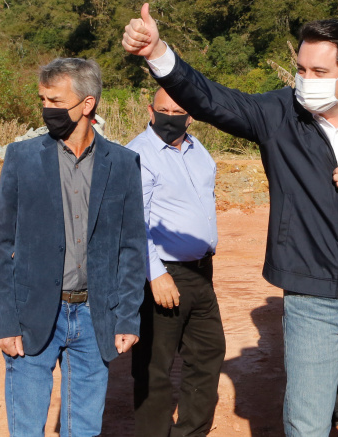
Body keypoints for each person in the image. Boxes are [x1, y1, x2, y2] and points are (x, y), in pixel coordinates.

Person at [123, 3, 338, 437]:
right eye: (301, 69)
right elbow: (209, 98)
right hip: (312, 302)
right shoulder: (279, 114)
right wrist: (158, 53)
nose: (305, 81)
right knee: (306, 425)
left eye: (318, 71)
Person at [0, 57, 147, 437]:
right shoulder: (22, 158)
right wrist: (4, 321)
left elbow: (132, 248)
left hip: (95, 316)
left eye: (56, 101)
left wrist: (126, 317)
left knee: (85, 429)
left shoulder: (123, 164)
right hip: (33, 315)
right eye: (43, 99)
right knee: (26, 429)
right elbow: (0, 247)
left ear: (87, 104)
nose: (47, 109)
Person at [128, 88, 225, 437]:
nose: (170, 117)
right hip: (164, 273)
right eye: (163, 110)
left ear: (191, 114)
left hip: (201, 272)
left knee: (208, 352)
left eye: (178, 110)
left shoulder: (199, 151)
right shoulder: (138, 154)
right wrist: (155, 274)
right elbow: (132, 221)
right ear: (151, 111)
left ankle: (190, 432)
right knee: (155, 365)